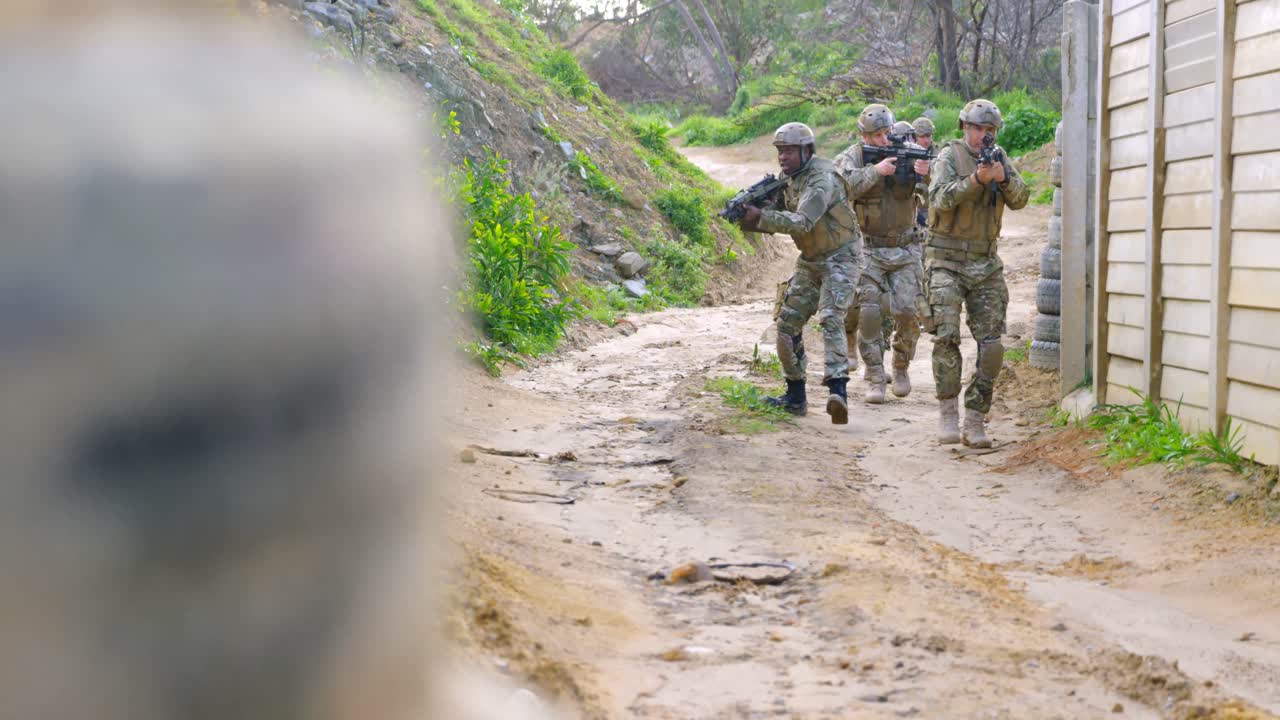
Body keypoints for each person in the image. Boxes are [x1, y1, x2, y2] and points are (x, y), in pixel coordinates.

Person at [739, 122, 859, 424]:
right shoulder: (789, 180)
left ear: (807, 150)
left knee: (831, 316)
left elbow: (802, 221)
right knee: (786, 323)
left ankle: (838, 391)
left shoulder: (822, 179)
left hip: (841, 257)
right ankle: (795, 396)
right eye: (780, 151)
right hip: (811, 259)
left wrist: (762, 218)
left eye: (790, 151)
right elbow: (780, 209)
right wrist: (747, 211)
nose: (783, 157)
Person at [926, 99, 1029, 447]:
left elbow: (1022, 198)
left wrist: (1003, 179)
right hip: (945, 260)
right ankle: (948, 415)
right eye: (978, 128)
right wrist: (974, 181)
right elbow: (939, 199)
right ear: (965, 128)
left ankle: (975, 417)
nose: (983, 135)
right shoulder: (947, 157)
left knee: (992, 346)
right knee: (946, 336)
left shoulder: (999, 158)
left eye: (989, 130)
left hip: (985, 263)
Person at [833, 105, 932, 403]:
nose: (883, 140)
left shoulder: (910, 150)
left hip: (905, 246)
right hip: (869, 248)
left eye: (886, 133)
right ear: (863, 135)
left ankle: (900, 366)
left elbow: (931, 196)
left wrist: (923, 176)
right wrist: (875, 171)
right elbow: (841, 186)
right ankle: (875, 376)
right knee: (870, 314)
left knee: (907, 311)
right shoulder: (854, 156)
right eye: (876, 135)